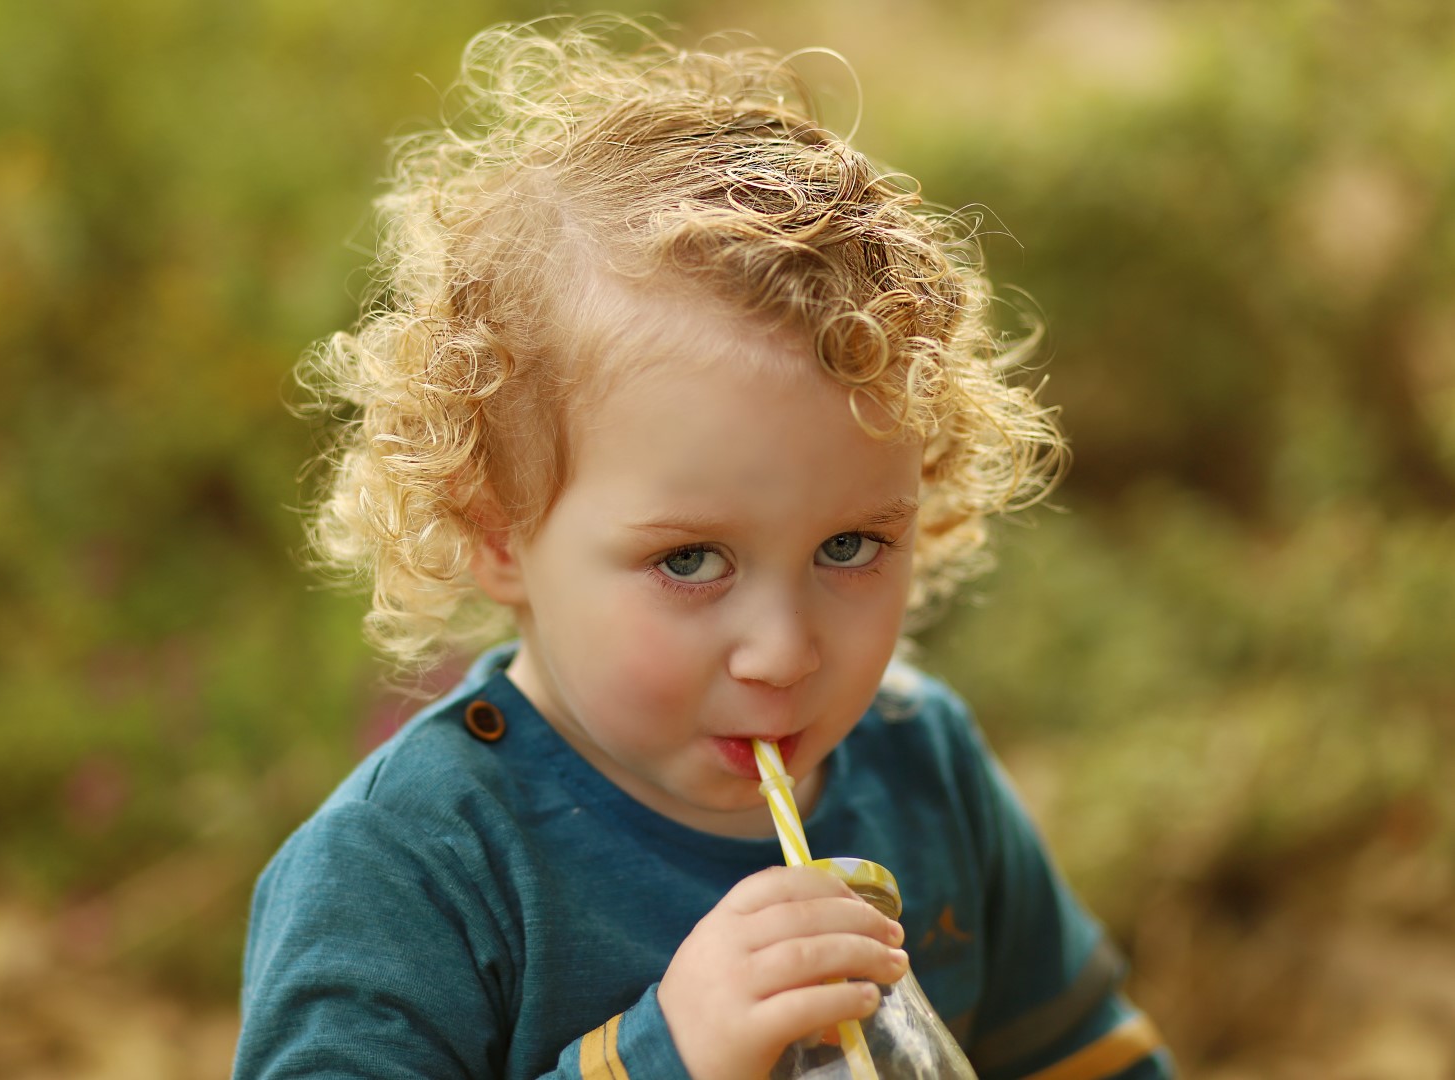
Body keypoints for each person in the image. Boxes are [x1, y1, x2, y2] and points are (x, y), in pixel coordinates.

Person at [234, 15, 1173, 1080]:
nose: (781, 653)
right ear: (496, 530)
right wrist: (664, 1054)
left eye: (852, 544)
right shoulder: (409, 870)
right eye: (690, 561)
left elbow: (1086, 1057)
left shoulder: (923, 767)